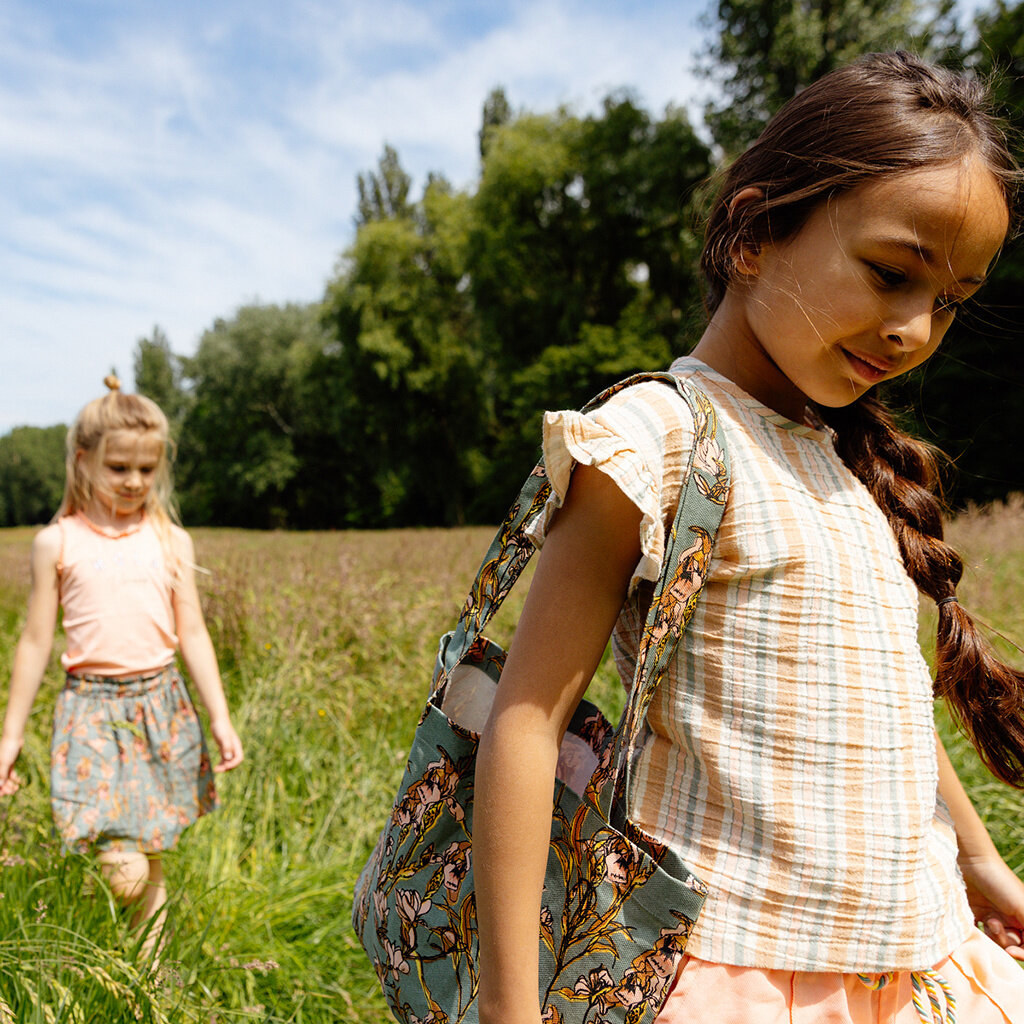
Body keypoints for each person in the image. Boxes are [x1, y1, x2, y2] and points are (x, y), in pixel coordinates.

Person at [473, 51, 1024, 1024]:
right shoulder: (659, 439)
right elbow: (523, 724)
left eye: (947, 301)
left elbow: (885, 697)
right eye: (890, 273)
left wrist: (979, 862)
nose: (910, 329)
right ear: (754, 232)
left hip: (918, 956)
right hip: (741, 971)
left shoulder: (851, 464)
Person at [0, 376, 243, 951]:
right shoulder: (56, 543)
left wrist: (221, 716)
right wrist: (9, 736)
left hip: (161, 706)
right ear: (84, 461)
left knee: (150, 854)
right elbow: (35, 641)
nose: (134, 482)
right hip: (89, 713)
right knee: (124, 868)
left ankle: (147, 978)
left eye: (146, 469)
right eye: (118, 468)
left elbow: (193, 633)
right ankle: (102, 935)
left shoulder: (170, 540)